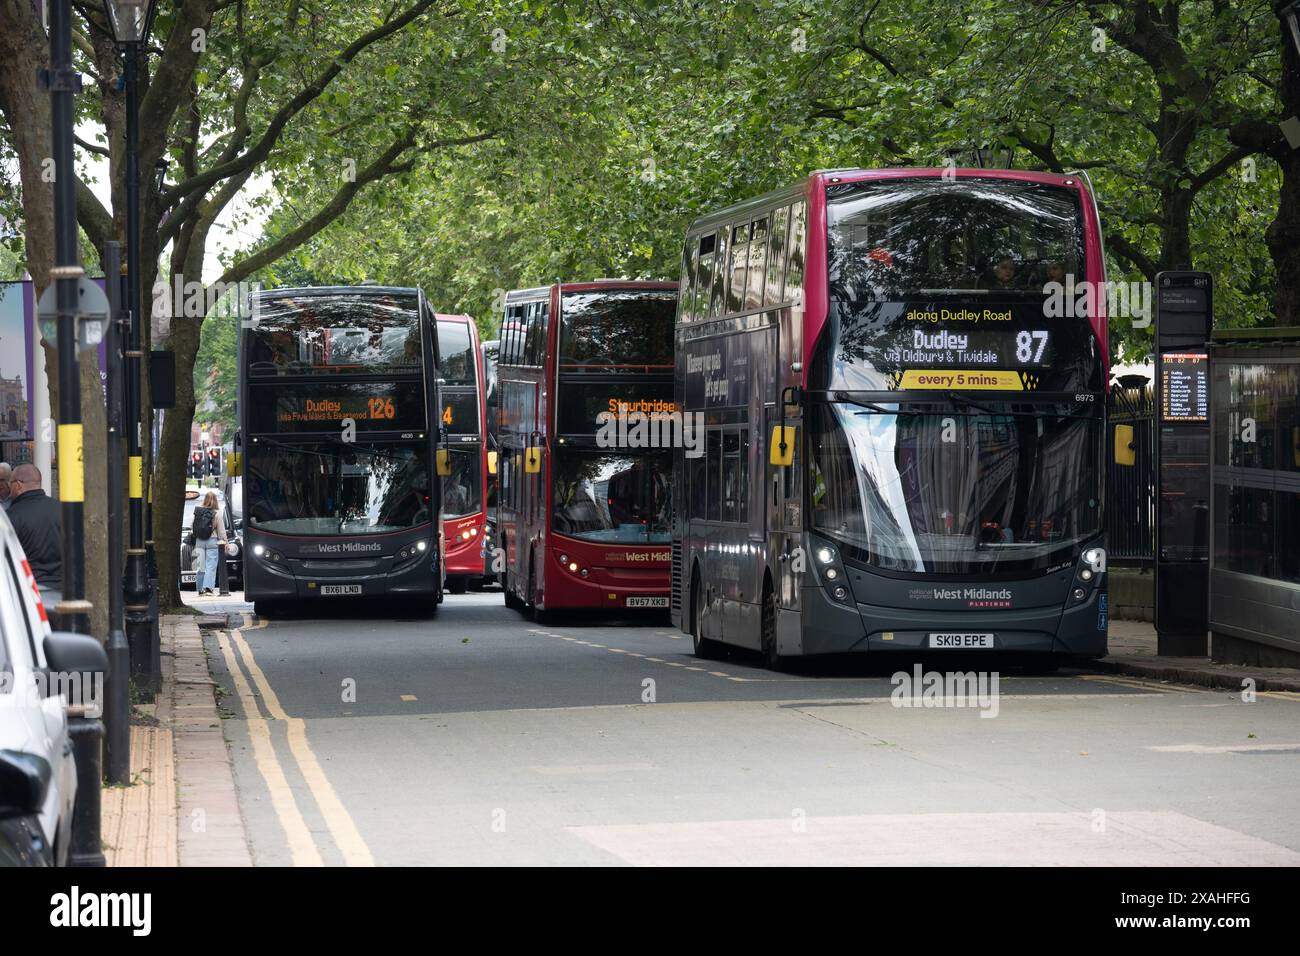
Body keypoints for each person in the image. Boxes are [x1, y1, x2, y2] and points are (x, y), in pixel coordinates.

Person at [7, 464, 62, 611]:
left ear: (18, 485)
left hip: (29, 592)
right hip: (63, 590)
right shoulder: (61, 510)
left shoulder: (11, 517)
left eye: (10, 483)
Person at [192, 491, 227, 595]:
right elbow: (221, 531)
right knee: (211, 565)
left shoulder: (198, 511)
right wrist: (226, 542)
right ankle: (208, 588)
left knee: (200, 565)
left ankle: (199, 589)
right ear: (215, 500)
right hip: (212, 541)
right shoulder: (217, 513)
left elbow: (192, 526)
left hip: (199, 541)